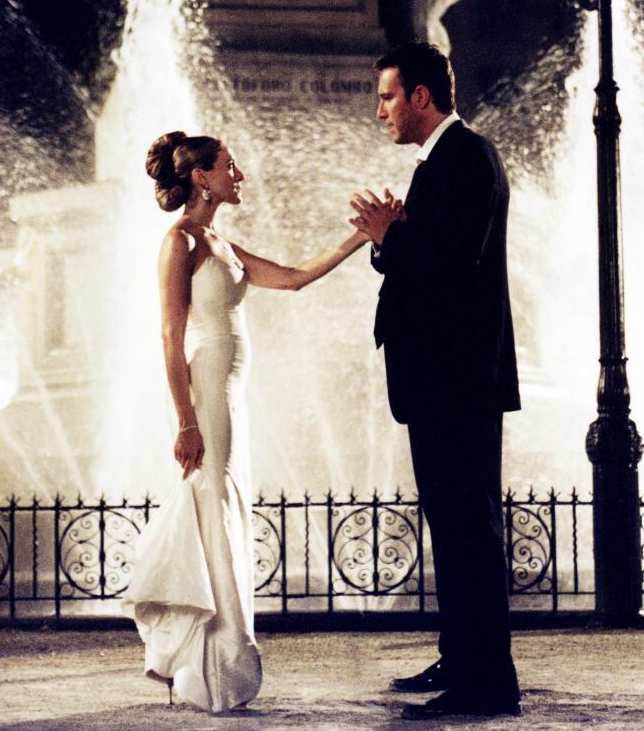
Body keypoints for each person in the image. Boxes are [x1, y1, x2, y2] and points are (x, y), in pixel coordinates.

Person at [121, 131, 368, 714]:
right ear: (202, 176)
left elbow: (294, 276)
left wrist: (362, 237)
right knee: (215, 505)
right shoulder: (180, 240)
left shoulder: (220, 242)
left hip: (231, 395)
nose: (240, 175)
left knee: (224, 510)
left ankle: (207, 658)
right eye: (230, 166)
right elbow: (170, 334)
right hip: (206, 393)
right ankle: (216, 663)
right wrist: (185, 420)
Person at [349, 42, 522, 720]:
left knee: (467, 530)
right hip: (442, 380)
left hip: (460, 382)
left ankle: (488, 682)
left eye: (388, 96)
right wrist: (389, 237)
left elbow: (454, 262)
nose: (380, 110)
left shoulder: (468, 157)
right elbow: (425, 259)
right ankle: (462, 654)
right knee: (451, 525)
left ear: (422, 96)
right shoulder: (440, 162)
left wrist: (391, 235)